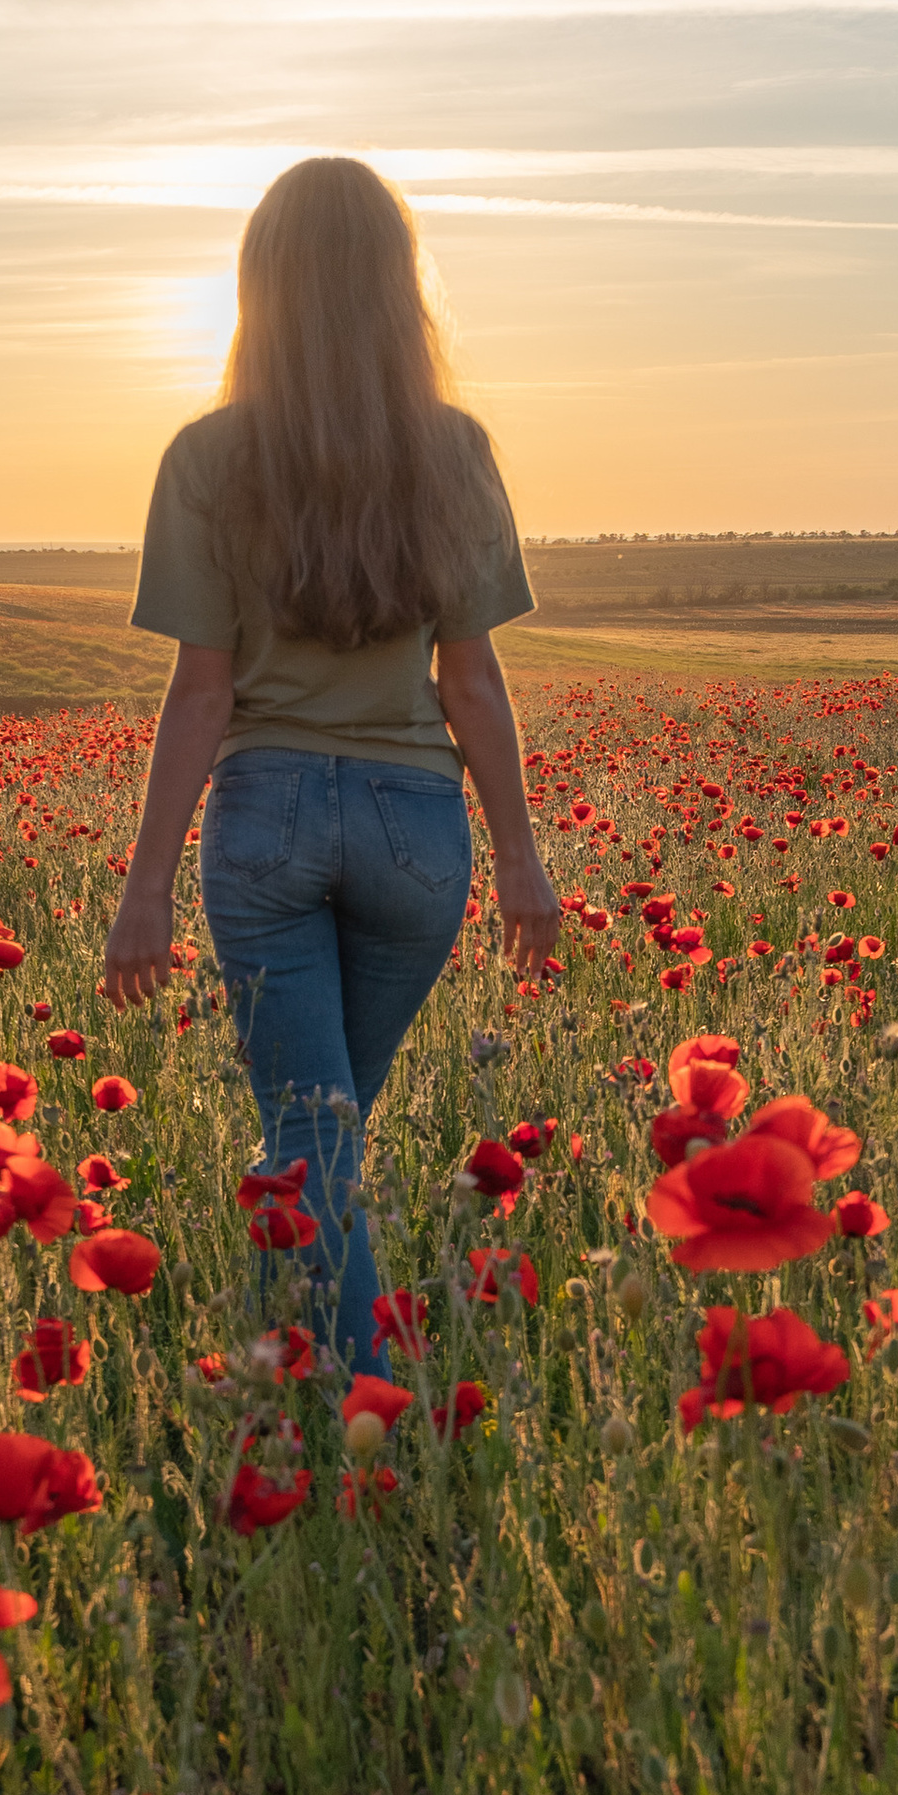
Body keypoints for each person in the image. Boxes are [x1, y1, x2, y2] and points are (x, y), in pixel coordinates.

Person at [100, 154, 563, 1371]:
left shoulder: (207, 459)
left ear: (260, 290)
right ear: (395, 290)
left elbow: (202, 691)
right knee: (322, 1132)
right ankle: (290, 1371)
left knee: (308, 1136)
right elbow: (469, 679)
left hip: (266, 824)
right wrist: (522, 861)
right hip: (418, 830)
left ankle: (364, 1427)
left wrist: (143, 886)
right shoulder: (453, 452)